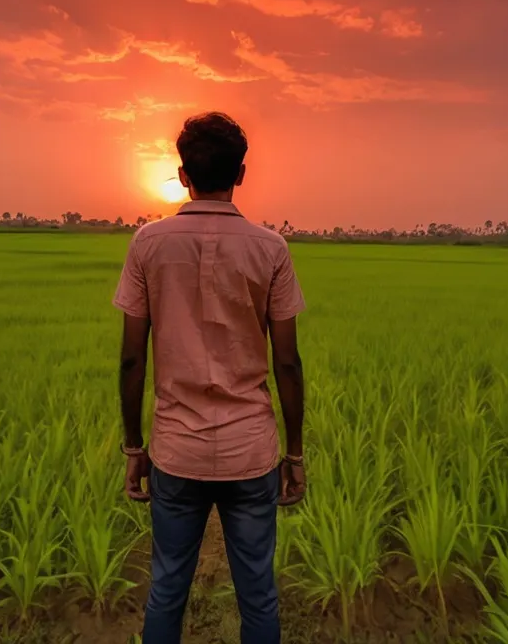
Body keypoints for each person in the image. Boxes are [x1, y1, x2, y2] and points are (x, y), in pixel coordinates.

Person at [113, 111, 307, 644]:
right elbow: (287, 362)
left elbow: (132, 359)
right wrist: (294, 456)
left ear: (182, 173)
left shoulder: (147, 244)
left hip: (176, 451)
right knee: (259, 595)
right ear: (241, 174)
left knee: (167, 587)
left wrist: (135, 448)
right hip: (252, 451)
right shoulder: (271, 249)